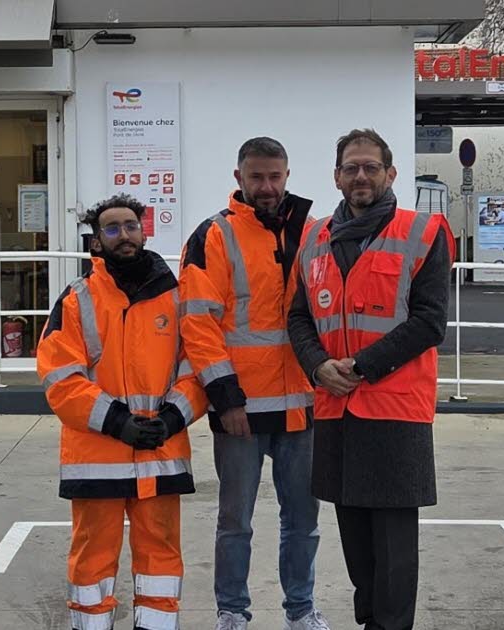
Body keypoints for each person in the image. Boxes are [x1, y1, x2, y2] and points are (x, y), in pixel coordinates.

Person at [287, 129, 453, 630]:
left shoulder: (424, 231)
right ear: (337, 176)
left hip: (394, 409)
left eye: (371, 167)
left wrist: (359, 368)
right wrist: (318, 366)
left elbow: (429, 322)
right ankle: (370, 620)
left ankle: (390, 625)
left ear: (390, 174)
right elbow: (298, 317)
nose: (361, 176)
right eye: (351, 168)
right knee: (355, 533)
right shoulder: (314, 237)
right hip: (336, 407)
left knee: (395, 546)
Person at [179, 137, 329, 630]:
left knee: (303, 523)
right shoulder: (214, 236)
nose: (267, 187)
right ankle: (232, 611)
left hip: (302, 406)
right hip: (240, 408)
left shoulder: (311, 232)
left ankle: (301, 609)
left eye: (276, 176)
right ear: (239, 177)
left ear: (288, 176)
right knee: (234, 523)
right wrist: (225, 400)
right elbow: (199, 324)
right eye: (257, 177)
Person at [38, 194, 208, 630]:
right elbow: (60, 378)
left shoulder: (176, 297)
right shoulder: (77, 300)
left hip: (160, 452)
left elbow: (198, 367)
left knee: (161, 558)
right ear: (96, 243)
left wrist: (171, 419)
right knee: (92, 560)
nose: (124, 235)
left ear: (144, 231)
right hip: (99, 459)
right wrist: (118, 422)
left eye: (131, 225)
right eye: (112, 229)